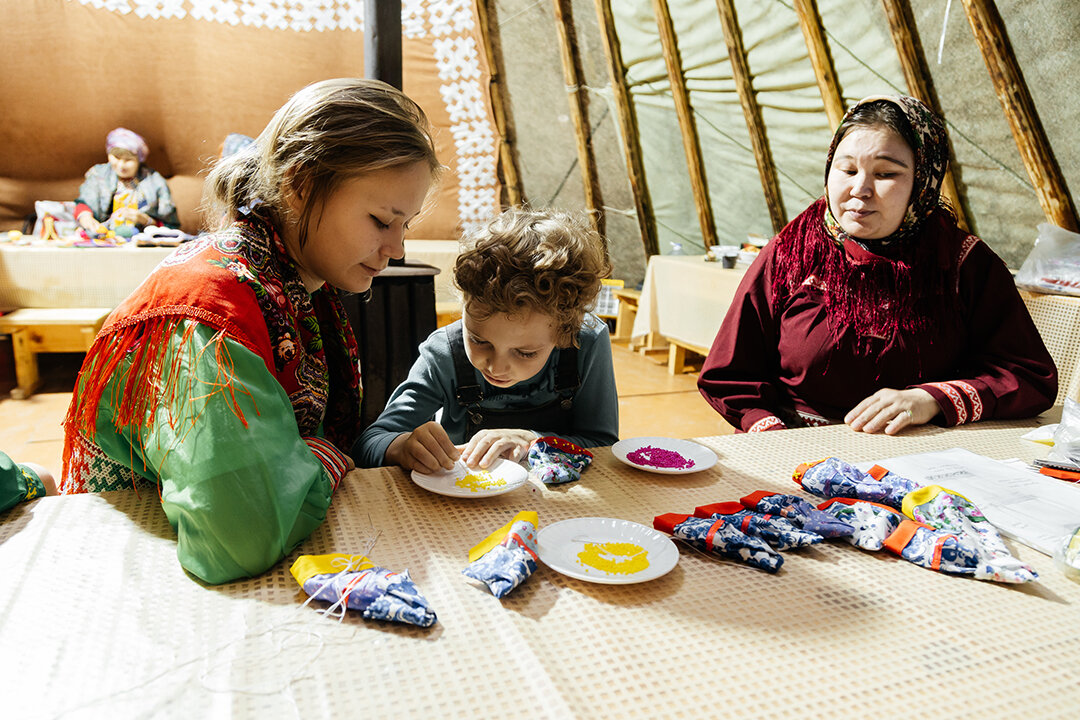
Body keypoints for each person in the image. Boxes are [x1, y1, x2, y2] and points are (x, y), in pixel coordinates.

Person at [61, 79, 441, 584]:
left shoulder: (292, 282)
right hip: (119, 574)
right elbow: (238, 536)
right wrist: (326, 454)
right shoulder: (210, 310)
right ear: (300, 184)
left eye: (405, 225)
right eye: (380, 220)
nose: (395, 249)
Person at [698, 95, 1056, 435]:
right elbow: (729, 373)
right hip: (794, 449)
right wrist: (769, 430)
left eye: (886, 174)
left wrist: (931, 398)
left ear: (923, 182)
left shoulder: (961, 263)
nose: (860, 189)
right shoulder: (792, 252)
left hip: (921, 453)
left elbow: (1027, 376)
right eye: (848, 169)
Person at [353, 207, 619, 472]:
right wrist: (401, 446)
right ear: (464, 305)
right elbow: (369, 444)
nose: (496, 367)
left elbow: (603, 445)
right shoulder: (444, 352)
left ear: (566, 331)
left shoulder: (587, 341)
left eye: (525, 353)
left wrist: (533, 441)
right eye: (479, 341)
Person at [75, 127, 181, 236]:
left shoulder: (155, 181)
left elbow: (170, 226)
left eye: (128, 160)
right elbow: (83, 203)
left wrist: (146, 220)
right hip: (103, 238)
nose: (121, 165)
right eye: (116, 157)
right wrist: (85, 216)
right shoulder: (98, 175)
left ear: (139, 159)